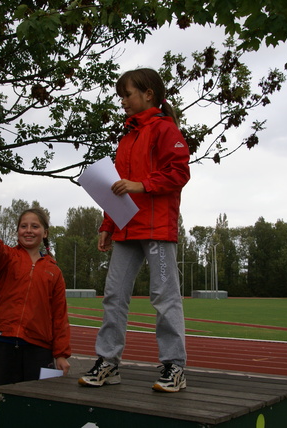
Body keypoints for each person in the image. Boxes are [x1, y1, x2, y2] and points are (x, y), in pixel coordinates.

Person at [78, 68, 190, 392]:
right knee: (113, 296)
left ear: (148, 95)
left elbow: (179, 172)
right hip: (126, 230)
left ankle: (174, 367)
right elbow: (117, 187)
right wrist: (107, 225)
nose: (123, 101)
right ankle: (108, 364)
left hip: (156, 230)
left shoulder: (166, 130)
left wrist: (143, 185)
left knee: (164, 297)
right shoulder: (125, 139)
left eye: (128, 94)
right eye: (122, 95)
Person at [0, 207, 71, 387]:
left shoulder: (54, 270)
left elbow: (60, 316)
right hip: (3, 342)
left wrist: (61, 354)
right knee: (6, 400)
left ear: (45, 233)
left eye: (35, 226)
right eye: (23, 226)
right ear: (17, 232)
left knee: (38, 402)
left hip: (39, 347)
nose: (29, 230)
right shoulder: (7, 258)